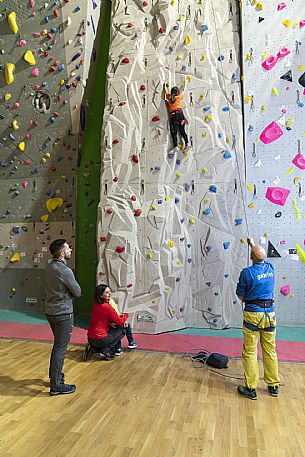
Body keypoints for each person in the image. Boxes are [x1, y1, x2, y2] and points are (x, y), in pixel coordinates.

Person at [236, 237, 280, 400]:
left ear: (251, 258)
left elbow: (240, 295)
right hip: (270, 314)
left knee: (250, 351)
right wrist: (253, 244)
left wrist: (248, 296)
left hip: (253, 314)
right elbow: (259, 256)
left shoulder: (247, 273)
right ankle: (273, 385)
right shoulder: (270, 268)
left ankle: (251, 388)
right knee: (270, 350)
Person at [45, 239, 81, 396]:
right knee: (60, 348)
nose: (71, 250)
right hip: (63, 314)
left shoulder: (49, 267)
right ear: (61, 253)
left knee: (57, 346)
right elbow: (78, 291)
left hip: (50, 312)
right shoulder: (65, 271)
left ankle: (55, 377)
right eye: (68, 248)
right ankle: (56, 385)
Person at [82, 284, 128, 361]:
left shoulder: (96, 305)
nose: (110, 294)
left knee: (108, 332)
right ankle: (106, 350)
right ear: (100, 295)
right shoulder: (106, 306)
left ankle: (93, 348)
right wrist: (126, 315)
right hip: (101, 339)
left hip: (90, 338)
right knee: (123, 328)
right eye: (106, 292)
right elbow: (119, 322)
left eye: (110, 292)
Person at [164, 78, 190, 154]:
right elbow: (183, 91)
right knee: (182, 131)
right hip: (180, 115)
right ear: (177, 93)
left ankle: (175, 147)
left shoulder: (169, 97)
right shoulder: (178, 97)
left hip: (174, 116)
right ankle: (187, 144)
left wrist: (165, 85)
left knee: (174, 132)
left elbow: (166, 91)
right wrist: (185, 83)